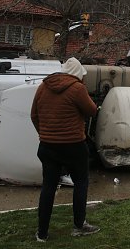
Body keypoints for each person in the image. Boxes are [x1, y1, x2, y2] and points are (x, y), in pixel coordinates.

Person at [31, 57, 100, 242]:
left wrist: (44, 134)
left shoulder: (43, 86)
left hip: (47, 146)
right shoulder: (77, 88)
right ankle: (79, 225)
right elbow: (92, 111)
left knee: (48, 187)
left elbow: (34, 115)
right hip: (73, 146)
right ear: (78, 74)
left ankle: (42, 233)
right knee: (81, 183)